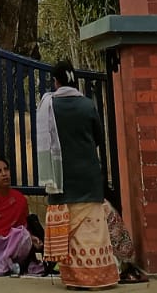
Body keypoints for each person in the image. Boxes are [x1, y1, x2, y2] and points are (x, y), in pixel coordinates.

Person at [36, 62, 117, 289]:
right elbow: (98, 139)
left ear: (56, 81)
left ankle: (75, 279)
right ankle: (99, 276)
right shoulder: (87, 105)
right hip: (88, 178)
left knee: (69, 232)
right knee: (92, 229)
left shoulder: (49, 106)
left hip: (60, 179)